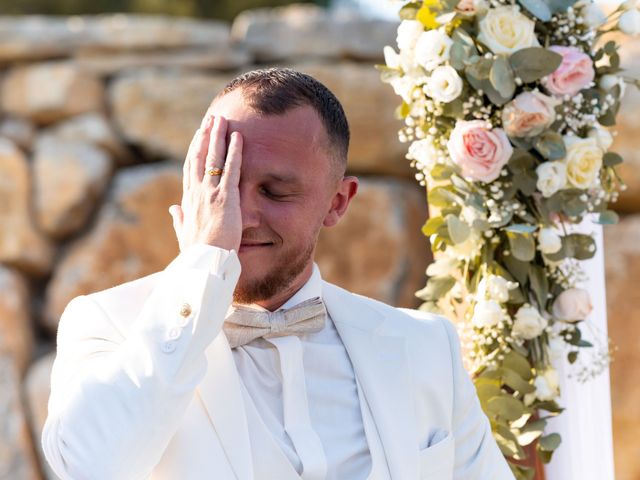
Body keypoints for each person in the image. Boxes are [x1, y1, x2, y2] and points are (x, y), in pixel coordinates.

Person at [42, 68, 514, 480]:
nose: (239, 216)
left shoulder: (425, 347)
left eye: (275, 191)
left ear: (338, 203)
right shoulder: (107, 323)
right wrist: (205, 262)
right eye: (220, 180)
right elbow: (91, 465)